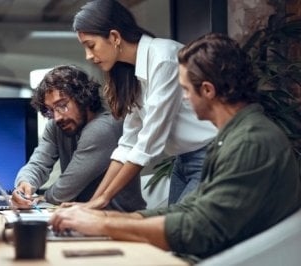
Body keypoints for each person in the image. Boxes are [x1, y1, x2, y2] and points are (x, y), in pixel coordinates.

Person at [49, 33, 301, 263]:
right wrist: (105, 218)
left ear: (208, 90)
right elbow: (189, 209)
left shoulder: (250, 142)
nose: (183, 98)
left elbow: (197, 229)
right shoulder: (232, 137)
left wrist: (103, 227)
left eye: (185, 90)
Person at [64, 0, 217, 209]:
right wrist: (92, 204)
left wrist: (103, 199)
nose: (89, 56)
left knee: (178, 232)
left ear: (115, 37)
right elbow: (128, 144)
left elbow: (147, 143)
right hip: (182, 161)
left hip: (210, 158)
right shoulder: (131, 71)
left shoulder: (164, 58)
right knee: (169, 234)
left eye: (91, 46)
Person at [12, 65, 146, 211]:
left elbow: (64, 191)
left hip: (120, 221)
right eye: (51, 110)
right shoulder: (57, 126)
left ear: (83, 97)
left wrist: (42, 198)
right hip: (83, 218)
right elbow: (38, 164)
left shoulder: (102, 129)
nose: (57, 117)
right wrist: (24, 185)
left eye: (62, 106)